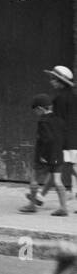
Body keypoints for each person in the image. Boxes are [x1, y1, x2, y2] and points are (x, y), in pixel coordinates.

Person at [20, 93, 69, 217]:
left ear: (40, 109)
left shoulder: (43, 122)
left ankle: (32, 206)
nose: (36, 113)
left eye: (35, 110)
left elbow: (46, 139)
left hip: (44, 155)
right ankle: (63, 207)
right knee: (57, 181)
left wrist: (43, 155)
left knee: (34, 178)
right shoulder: (59, 119)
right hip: (58, 154)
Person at [44, 65, 76, 197]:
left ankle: (39, 198)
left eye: (53, 78)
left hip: (63, 139)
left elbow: (57, 121)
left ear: (61, 82)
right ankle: (39, 197)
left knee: (55, 170)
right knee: (71, 168)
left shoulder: (59, 99)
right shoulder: (74, 96)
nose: (51, 81)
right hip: (73, 137)